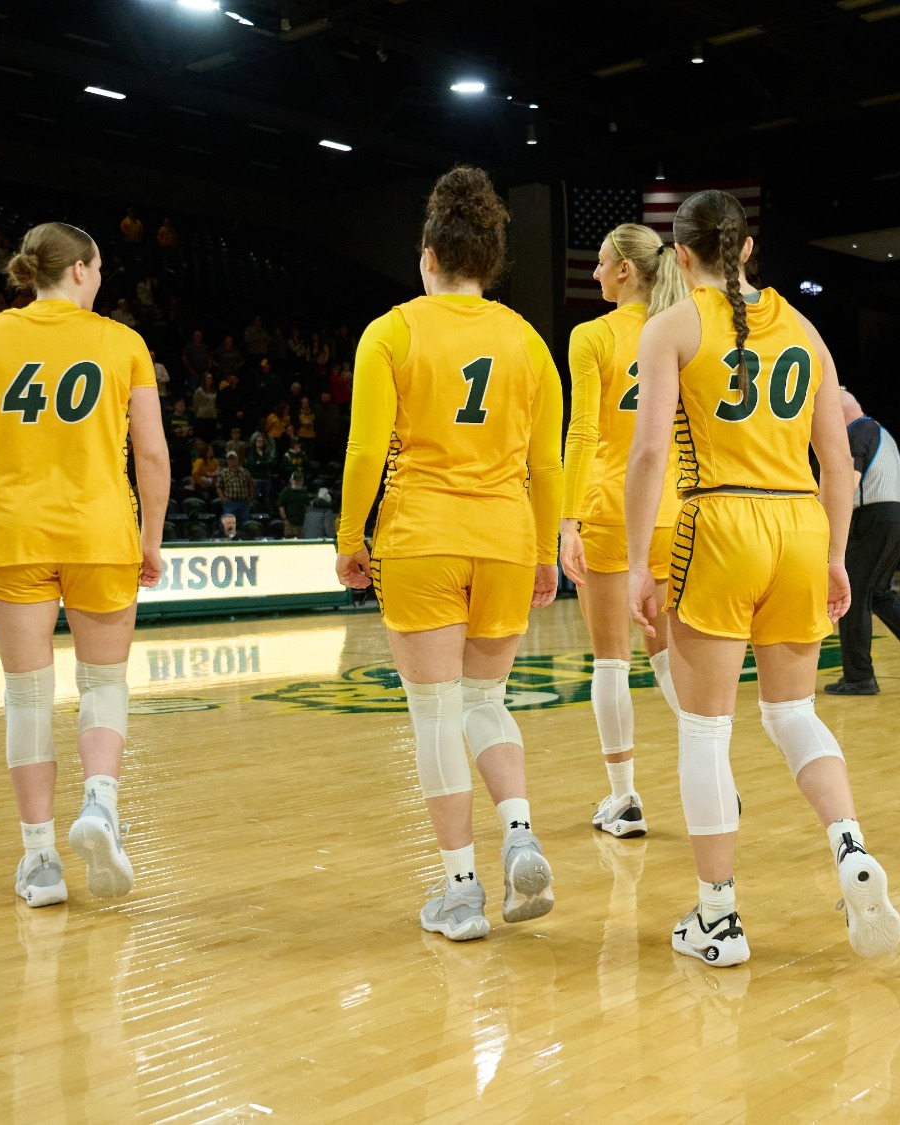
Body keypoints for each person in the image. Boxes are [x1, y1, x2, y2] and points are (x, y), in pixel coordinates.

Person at [624, 187, 900, 968]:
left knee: (705, 730)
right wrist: (836, 555)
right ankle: (850, 846)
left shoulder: (672, 327)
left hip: (719, 524)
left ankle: (718, 917)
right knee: (793, 714)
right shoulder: (806, 331)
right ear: (747, 249)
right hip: (799, 526)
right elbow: (839, 463)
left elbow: (649, 454)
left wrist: (640, 560)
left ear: (681, 256)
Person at [335, 166, 563, 944]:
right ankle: (521, 832)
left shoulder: (391, 331)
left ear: (429, 255)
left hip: (422, 537)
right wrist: (543, 549)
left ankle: (462, 890)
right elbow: (548, 463)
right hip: (505, 538)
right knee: (486, 700)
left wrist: (350, 536)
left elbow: (365, 449)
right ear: (490, 262)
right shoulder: (528, 341)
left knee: (434, 711)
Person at [0, 221, 171, 911]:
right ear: (82, 270)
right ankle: (100, 803)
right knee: (104, 684)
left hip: (15, 538)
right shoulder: (123, 343)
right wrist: (151, 539)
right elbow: (152, 454)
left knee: (28, 697)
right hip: (101, 535)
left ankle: (40, 861)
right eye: (101, 269)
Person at [558, 221, 687, 838]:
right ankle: (710, 767)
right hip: (674, 510)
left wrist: (567, 519)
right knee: (666, 654)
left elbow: (583, 431)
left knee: (611, 660)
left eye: (601, 262)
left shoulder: (592, 336)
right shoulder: (684, 328)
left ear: (625, 270)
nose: (594, 272)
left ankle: (624, 800)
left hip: (611, 508)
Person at [827, 389, 900, 696]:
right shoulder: (878, 430)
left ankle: (860, 678)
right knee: (877, 593)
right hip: (894, 516)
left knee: (852, 596)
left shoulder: (856, 431)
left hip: (872, 517)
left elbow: (848, 483)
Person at [216, 450, 255, 522]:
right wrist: (222, 498)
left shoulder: (245, 472)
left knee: (244, 523)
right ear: (227, 461)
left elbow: (251, 484)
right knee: (230, 524)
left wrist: (251, 496)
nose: (231, 461)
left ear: (237, 459)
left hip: (244, 503)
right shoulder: (223, 473)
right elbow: (218, 487)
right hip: (230, 503)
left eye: (233, 459)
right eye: (230, 459)